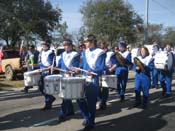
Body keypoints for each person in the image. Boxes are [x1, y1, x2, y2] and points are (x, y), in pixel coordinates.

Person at [77, 34, 106, 131]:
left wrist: (93, 72)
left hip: (93, 79)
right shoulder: (84, 52)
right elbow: (83, 65)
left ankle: (91, 122)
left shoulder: (100, 52)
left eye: (86, 42)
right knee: (79, 98)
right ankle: (86, 116)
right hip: (83, 78)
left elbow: (101, 68)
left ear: (92, 42)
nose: (84, 43)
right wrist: (78, 69)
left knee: (91, 102)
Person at [57, 39, 80, 123]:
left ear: (71, 45)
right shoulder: (62, 54)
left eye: (68, 45)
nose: (66, 47)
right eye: (65, 45)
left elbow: (77, 67)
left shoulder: (75, 54)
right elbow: (60, 65)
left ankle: (62, 114)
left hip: (72, 77)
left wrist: (71, 70)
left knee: (77, 97)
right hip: (64, 76)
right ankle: (68, 111)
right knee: (65, 96)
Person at [98, 41, 117, 110]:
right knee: (97, 88)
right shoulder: (99, 53)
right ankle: (101, 100)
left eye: (103, 47)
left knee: (105, 89)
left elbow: (115, 63)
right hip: (99, 72)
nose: (102, 48)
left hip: (107, 71)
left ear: (106, 47)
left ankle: (103, 103)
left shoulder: (111, 53)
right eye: (100, 47)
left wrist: (110, 69)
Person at [38, 42, 56, 110]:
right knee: (41, 87)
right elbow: (41, 62)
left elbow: (51, 64)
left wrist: (45, 69)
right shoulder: (42, 52)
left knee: (46, 88)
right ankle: (50, 98)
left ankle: (48, 103)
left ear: (48, 46)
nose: (43, 46)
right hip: (42, 71)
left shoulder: (50, 52)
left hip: (47, 72)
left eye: (44, 45)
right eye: (42, 45)